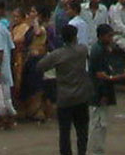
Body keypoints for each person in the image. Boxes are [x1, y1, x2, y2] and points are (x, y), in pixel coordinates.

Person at [35, 24, 93, 155]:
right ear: (75, 37)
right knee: (82, 131)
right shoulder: (82, 50)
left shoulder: (57, 55)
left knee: (64, 132)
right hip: (81, 97)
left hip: (65, 98)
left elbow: (40, 66)